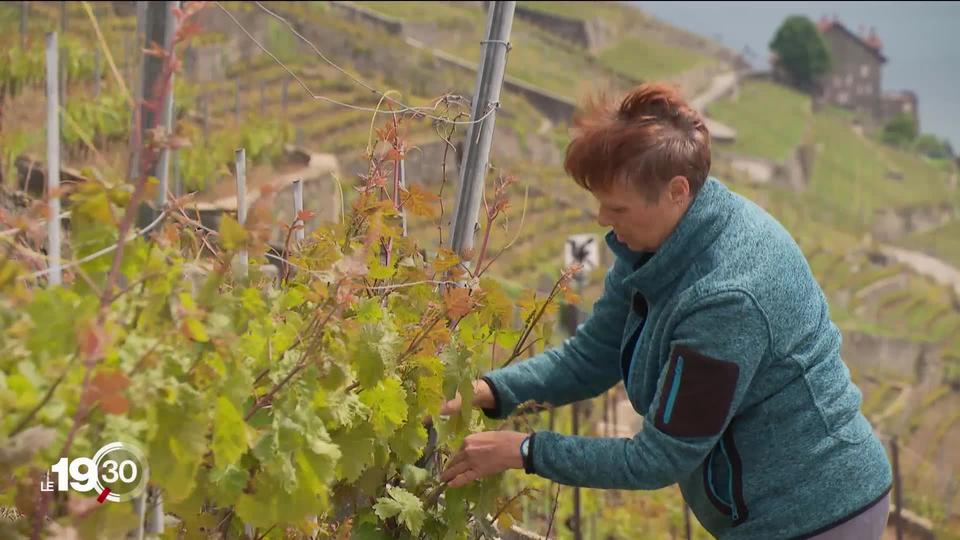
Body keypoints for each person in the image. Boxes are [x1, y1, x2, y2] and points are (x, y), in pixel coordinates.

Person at [436, 83, 892, 539]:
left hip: (818, 513)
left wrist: (526, 450)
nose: (601, 219)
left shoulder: (726, 299)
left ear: (677, 191)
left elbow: (659, 458)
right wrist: (485, 391)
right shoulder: (654, 247)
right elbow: (590, 358)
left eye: (617, 207)